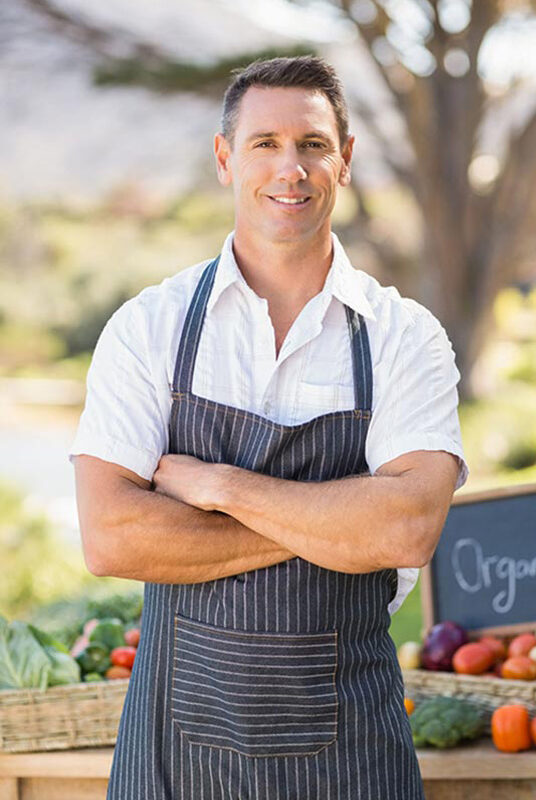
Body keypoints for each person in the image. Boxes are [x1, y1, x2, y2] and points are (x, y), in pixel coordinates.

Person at [70, 55, 468, 799]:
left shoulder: (404, 337)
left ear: (344, 160)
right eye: (265, 144)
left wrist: (219, 487)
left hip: (353, 758)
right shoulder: (149, 328)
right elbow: (112, 537)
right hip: (175, 760)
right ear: (226, 159)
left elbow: (407, 528)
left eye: (313, 144)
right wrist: (336, 527)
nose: (292, 168)